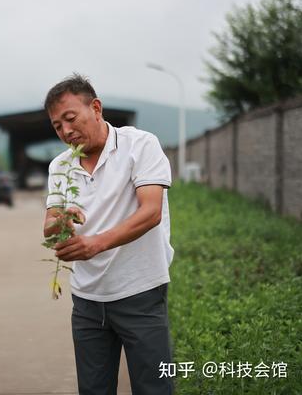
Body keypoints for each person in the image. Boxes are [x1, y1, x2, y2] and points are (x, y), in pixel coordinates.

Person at [43, 74, 174, 395]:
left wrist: (95, 243)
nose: (66, 131)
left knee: (154, 388)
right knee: (94, 390)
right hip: (87, 301)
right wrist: (59, 224)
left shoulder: (140, 145)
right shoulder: (60, 166)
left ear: (96, 108)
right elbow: (49, 226)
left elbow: (150, 212)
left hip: (140, 294)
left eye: (70, 119)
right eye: (57, 126)